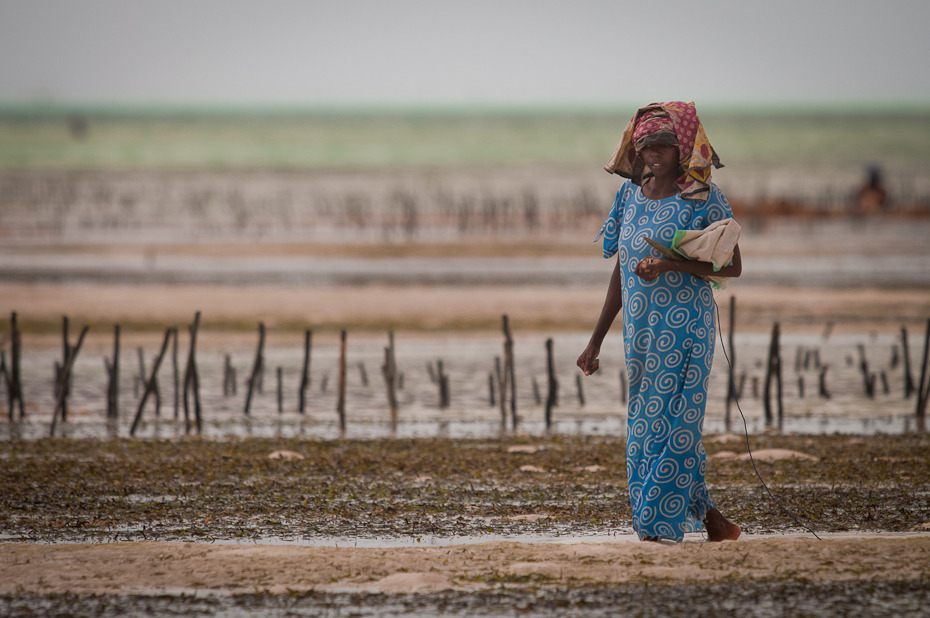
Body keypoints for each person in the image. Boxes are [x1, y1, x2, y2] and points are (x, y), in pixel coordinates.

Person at [577, 101, 742, 543]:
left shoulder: (703, 197)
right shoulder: (629, 195)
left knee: (677, 425)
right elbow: (622, 268)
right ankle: (715, 522)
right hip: (642, 335)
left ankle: (657, 528)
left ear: (682, 148)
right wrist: (595, 341)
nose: (653, 156)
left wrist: (671, 265)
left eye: (663, 147)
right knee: (646, 424)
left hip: (687, 328)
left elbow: (730, 267)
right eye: (646, 146)